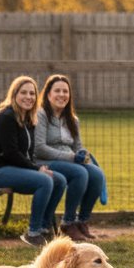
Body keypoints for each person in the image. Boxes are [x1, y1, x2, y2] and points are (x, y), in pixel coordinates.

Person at [0, 76, 66, 248]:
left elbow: (26, 153)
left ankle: (44, 227)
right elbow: (11, 153)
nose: (28, 97)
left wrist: (38, 167)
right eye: (23, 93)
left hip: (14, 169)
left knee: (59, 180)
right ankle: (32, 233)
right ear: (14, 94)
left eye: (32, 93)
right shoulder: (6, 117)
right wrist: (37, 169)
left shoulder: (28, 118)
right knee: (44, 179)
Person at [33, 74, 106, 241]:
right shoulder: (41, 115)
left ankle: (83, 221)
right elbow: (39, 148)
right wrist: (71, 157)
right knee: (80, 173)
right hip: (44, 161)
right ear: (48, 94)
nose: (62, 95)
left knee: (96, 174)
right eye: (57, 91)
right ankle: (68, 222)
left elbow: (77, 147)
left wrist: (83, 154)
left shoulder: (72, 119)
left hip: (70, 160)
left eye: (65, 91)